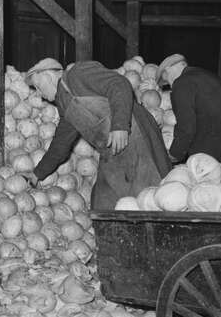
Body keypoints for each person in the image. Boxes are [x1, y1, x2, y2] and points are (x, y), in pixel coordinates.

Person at [23, 58, 172, 210]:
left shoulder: (78, 74)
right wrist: (37, 174)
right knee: (102, 202)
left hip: (135, 135)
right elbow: (60, 145)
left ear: (48, 76)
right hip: (111, 149)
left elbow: (119, 84)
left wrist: (120, 126)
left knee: (148, 198)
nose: (39, 94)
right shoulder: (64, 104)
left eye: (38, 87)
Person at [157, 54, 221, 164]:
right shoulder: (210, 76)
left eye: (166, 80)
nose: (171, 85)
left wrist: (175, 155)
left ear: (167, 70)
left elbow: (186, 127)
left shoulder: (182, 83)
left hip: (212, 153)